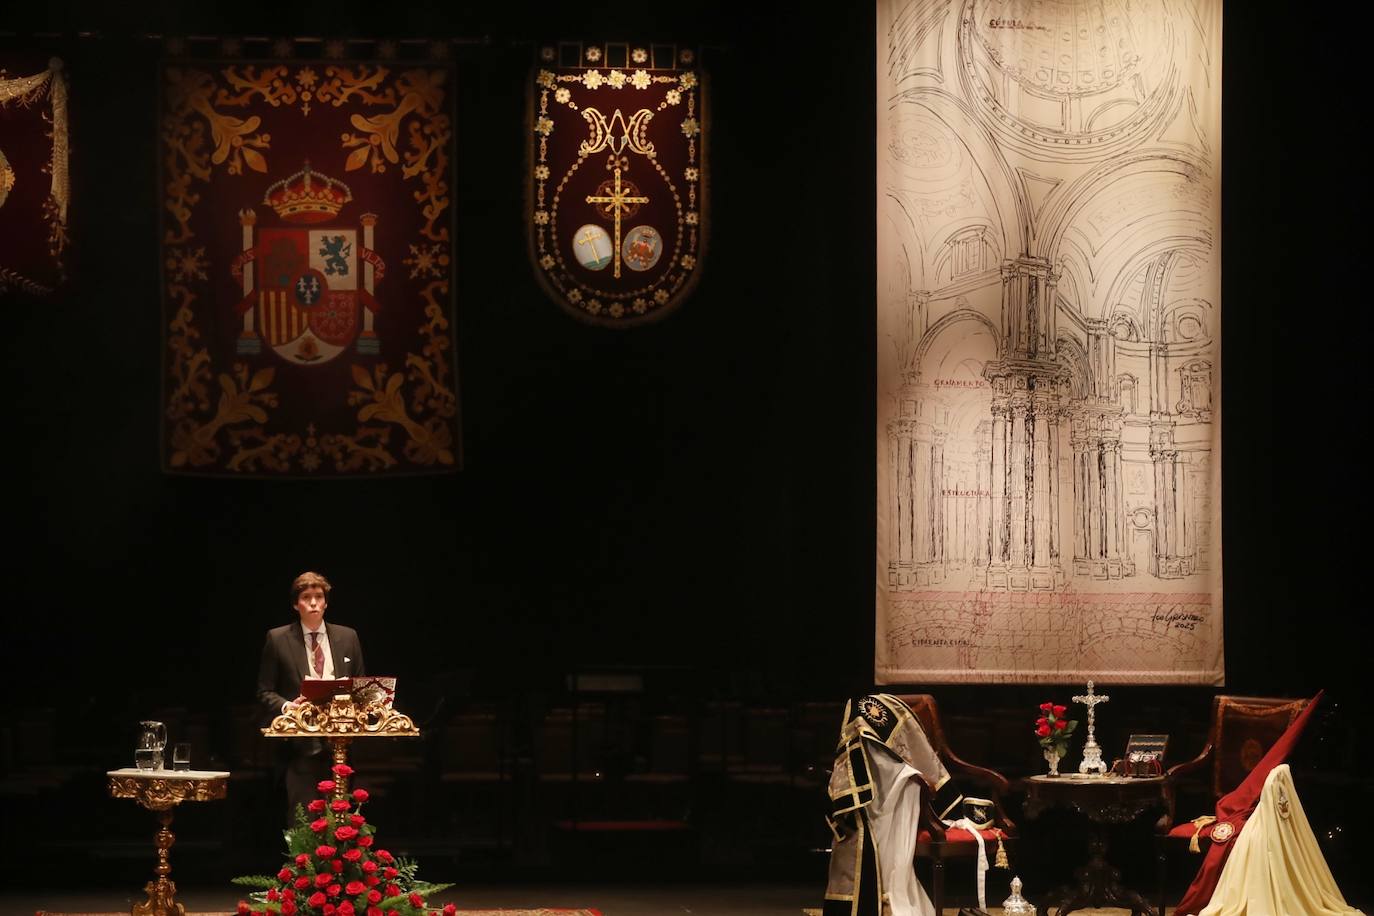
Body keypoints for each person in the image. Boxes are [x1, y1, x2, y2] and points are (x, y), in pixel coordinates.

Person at [256, 571, 366, 825]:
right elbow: (264, 691)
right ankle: (304, 864)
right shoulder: (277, 639)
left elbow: (361, 687)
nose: (314, 603)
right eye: (307, 597)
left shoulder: (348, 637)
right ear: (296, 604)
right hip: (300, 747)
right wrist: (287, 706)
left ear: (326, 602)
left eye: (319, 596)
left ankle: (340, 864)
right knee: (304, 818)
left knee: (342, 818)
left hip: (341, 742)